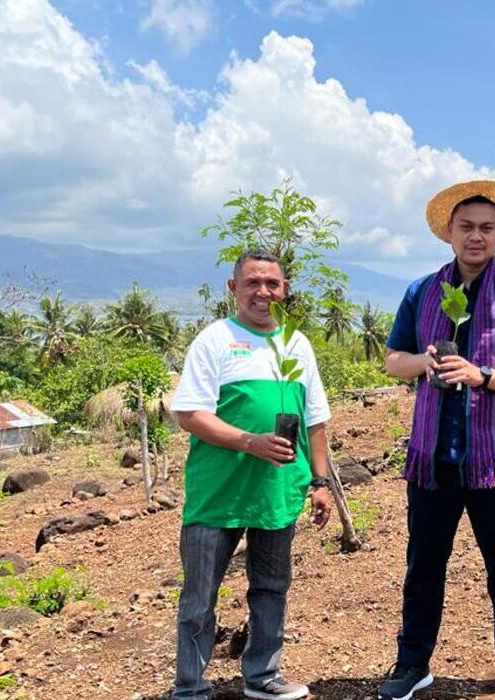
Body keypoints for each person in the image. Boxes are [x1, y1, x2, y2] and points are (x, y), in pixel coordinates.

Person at [377, 180, 495, 700]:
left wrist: (483, 375)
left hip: (494, 458)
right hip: (432, 459)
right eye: (466, 228)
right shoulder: (421, 292)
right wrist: (425, 362)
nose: (475, 237)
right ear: (449, 234)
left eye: (486, 228)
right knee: (423, 565)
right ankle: (413, 664)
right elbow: (394, 359)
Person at [169, 250, 334, 700]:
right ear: (233, 288)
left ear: (285, 289)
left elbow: (315, 420)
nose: (263, 292)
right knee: (199, 598)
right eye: (253, 283)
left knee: (271, 588)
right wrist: (249, 441)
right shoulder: (214, 340)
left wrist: (320, 483)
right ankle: (190, 687)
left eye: (273, 284)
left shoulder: (297, 345)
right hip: (217, 493)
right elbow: (189, 414)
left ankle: (262, 675)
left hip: (277, 491)